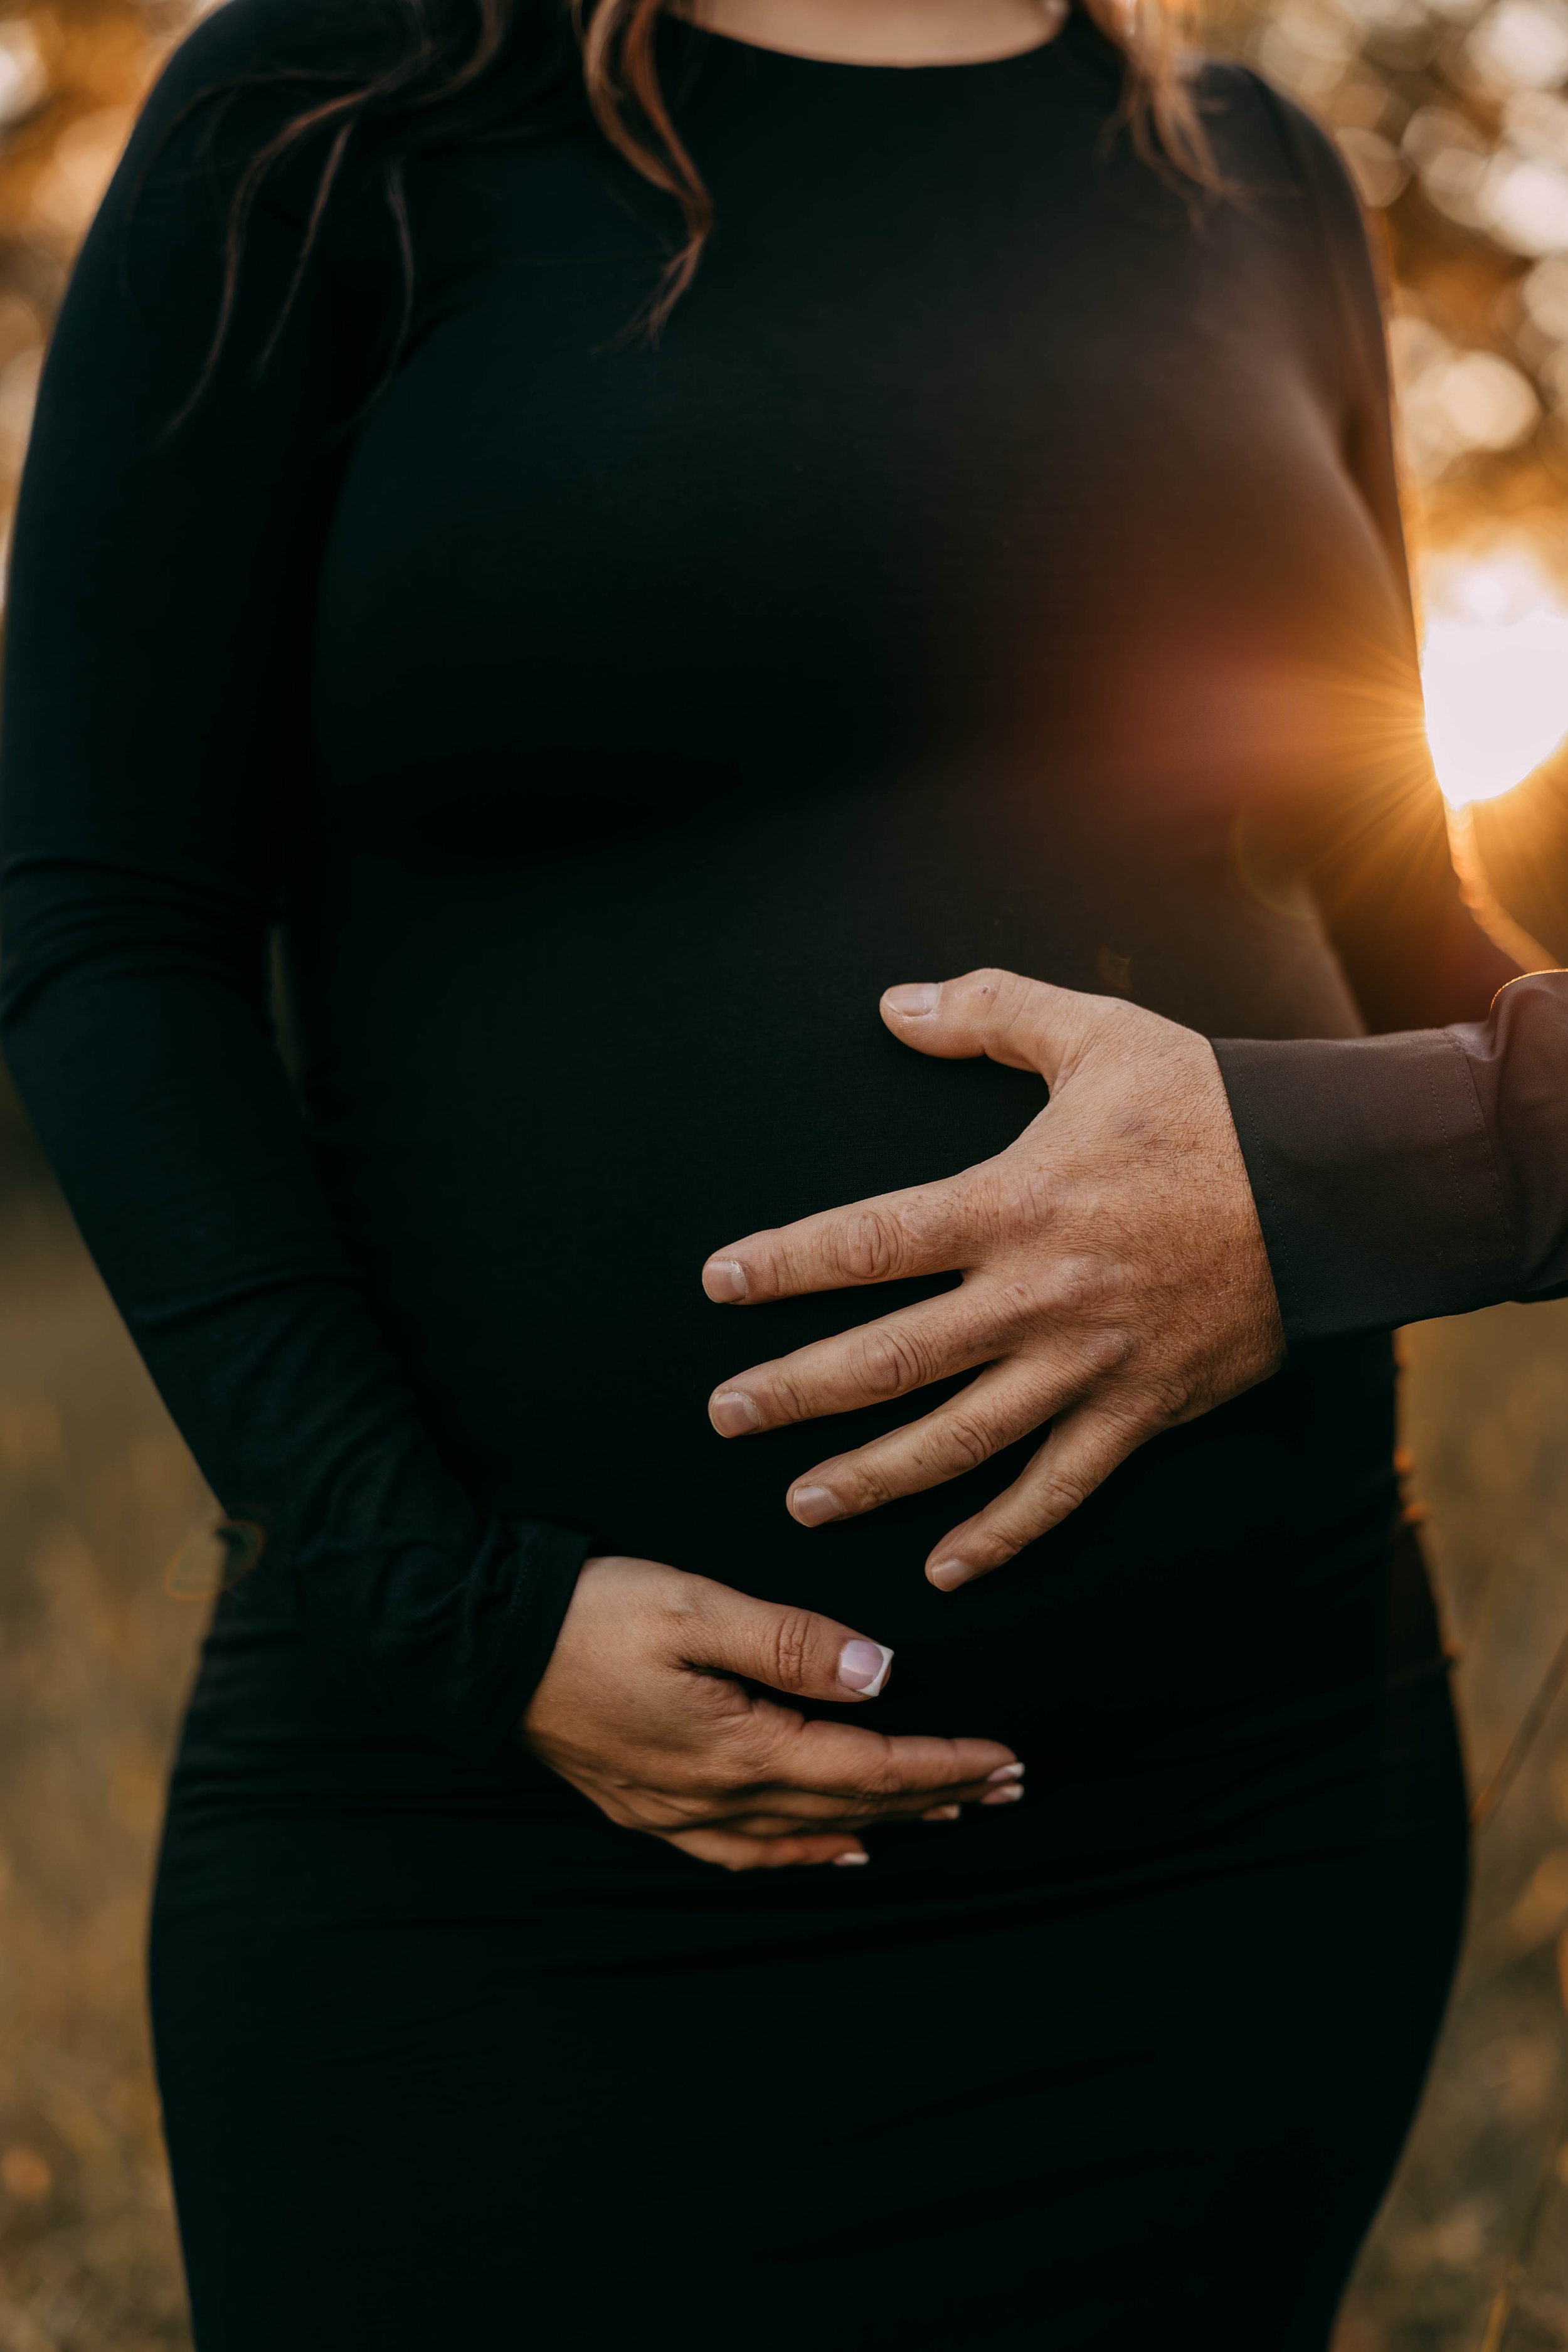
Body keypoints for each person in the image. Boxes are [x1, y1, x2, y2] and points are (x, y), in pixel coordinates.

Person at [3, 0, 1564, 2340]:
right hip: (498, 1864)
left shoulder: (1249, 175)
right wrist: (462, 1615)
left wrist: (1344, 1174)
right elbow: (109, 927)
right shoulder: (332, 110)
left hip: (1223, 1840)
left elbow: (1391, 914)